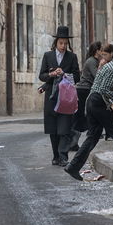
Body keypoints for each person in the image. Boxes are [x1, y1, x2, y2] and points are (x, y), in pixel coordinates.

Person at [64, 42, 113, 180]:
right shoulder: (112, 67)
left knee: (93, 136)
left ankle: (73, 166)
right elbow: (105, 89)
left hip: (93, 102)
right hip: (99, 103)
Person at [38, 26, 81, 166]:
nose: (63, 46)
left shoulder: (72, 57)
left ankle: (63, 156)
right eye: (60, 43)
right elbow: (42, 76)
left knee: (65, 128)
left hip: (66, 97)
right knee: (53, 129)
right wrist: (52, 74)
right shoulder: (48, 56)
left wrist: (65, 74)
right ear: (56, 42)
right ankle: (55, 155)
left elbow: (77, 76)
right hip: (51, 96)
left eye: (65, 43)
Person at [71, 41, 105, 155]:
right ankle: (73, 142)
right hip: (83, 90)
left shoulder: (95, 61)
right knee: (80, 116)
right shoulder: (91, 61)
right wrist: (102, 66)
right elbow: (97, 76)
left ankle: (89, 134)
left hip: (88, 90)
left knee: (87, 115)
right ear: (97, 51)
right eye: (101, 50)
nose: (103, 52)